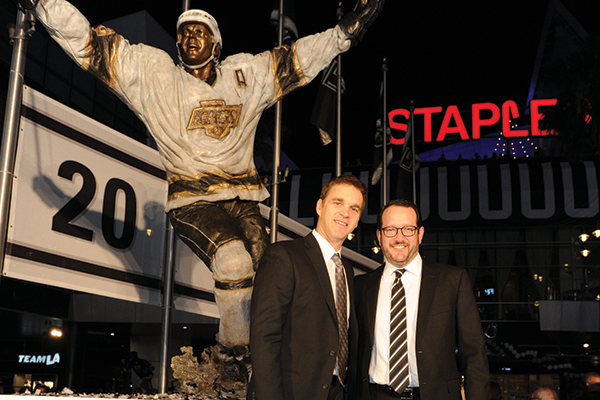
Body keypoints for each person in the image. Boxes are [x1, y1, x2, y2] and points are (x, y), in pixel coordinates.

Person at [19, 0, 384, 381]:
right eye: (184, 33)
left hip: (243, 197)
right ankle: (235, 353)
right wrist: (46, 5)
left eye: (200, 32)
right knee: (232, 261)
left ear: (217, 44)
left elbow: (299, 60)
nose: (190, 37)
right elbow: (91, 45)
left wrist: (344, 32)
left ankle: (275, 355)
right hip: (193, 199)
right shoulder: (153, 73)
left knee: (271, 273)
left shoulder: (246, 73)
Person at [354, 199, 489, 400]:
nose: (399, 237)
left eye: (408, 229)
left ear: (420, 234)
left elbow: (474, 354)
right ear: (379, 236)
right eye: (390, 229)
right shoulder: (361, 286)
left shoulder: (452, 280)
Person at [249, 174, 367, 400]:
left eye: (355, 208)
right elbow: (264, 337)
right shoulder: (284, 256)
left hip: (336, 392)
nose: (346, 213)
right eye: (338, 202)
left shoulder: (347, 270)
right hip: (291, 393)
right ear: (320, 206)